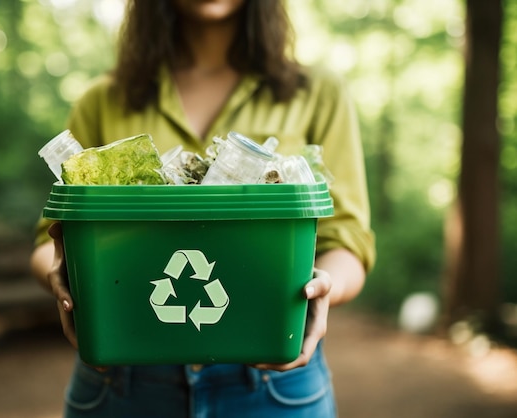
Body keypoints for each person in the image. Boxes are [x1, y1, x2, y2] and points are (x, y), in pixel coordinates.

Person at [30, 0, 375, 417]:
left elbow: (348, 240)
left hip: (270, 379)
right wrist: (68, 283)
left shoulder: (317, 92)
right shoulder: (103, 99)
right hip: (123, 376)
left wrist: (321, 290)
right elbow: (52, 237)